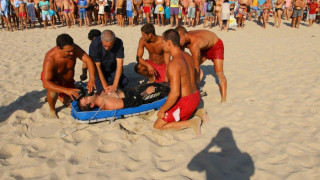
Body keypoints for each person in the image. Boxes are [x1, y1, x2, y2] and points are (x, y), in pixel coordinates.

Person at [153, 29, 201, 135]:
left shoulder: (173, 63)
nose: (161, 45)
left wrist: (162, 110)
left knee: (157, 126)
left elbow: (175, 94)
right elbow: (196, 75)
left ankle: (191, 122)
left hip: (187, 102)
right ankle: (197, 111)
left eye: (162, 42)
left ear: (169, 43)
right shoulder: (187, 55)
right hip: (196, 96)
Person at [41, 34, 96, 118]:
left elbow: (88, 60)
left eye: (72, 50)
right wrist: (66, 90)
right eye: (68, 51)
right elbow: (46, 83)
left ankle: (57, 97)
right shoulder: (50, 58)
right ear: (59, 48)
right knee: (52, 92)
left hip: (68, 81)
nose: (72, 53)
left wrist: (91, 79)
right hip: (54, 80)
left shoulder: (74, 48)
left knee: (72, 103)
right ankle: (52, 109)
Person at [175, 26, 227, 103]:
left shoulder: (194, 44)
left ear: (185, 35)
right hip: (203, 48)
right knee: (189, 67)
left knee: (219, 73)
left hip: (216, 45)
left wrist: (195, 83)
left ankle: (223, 99)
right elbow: (180, 57)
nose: (178, 41)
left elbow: (196, 66)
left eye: (179, 38)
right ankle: (195, 85)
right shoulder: (183, 40)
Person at [78, 83, 170, 110]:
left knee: (162, 84)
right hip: (142, 96)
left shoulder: (99, 94)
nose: (87, 95)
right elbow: (132, 102)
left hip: (134, 90)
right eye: (86, 98)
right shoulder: (108, 103)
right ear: (91, 105)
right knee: (163, 89)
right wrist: (146, 92)